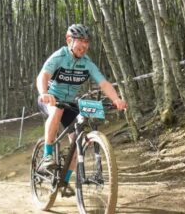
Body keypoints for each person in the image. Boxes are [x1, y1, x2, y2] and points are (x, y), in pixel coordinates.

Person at [36, 24, 127, 197]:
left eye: (87, 42)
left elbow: (104, 83)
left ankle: (64, 181)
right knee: (56, 111)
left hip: (69, 103)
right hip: (50, 99)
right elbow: (43, 75)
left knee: (79, 142)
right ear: (69, 40)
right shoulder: (59, 56)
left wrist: (116, 99)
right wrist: (44, 93)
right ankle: (47, 156)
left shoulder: (87, 63)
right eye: (80, 41)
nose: (84, 46)